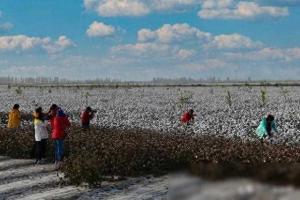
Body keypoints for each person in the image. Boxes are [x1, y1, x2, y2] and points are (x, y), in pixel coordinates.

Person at [48, 104, 70, 169]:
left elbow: (52, 123)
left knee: (56, 148)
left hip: (54, 135)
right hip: (60, 135)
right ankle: (60, 162)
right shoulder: (63, 118)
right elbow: (69, 124)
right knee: (60, 149)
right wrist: (66, 118)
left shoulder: (55, 118)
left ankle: (56, 162)